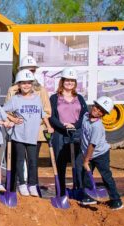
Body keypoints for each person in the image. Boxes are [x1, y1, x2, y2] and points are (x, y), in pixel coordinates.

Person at [3, 70, 54, 197]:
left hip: (33, 136)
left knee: (33, 161)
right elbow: (2, 111)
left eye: (28, 83)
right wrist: (13, 119)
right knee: (20, 161)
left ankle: (32, 185)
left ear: (32, 84)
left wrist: (48, 126)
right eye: (23, 83)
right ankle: (22, 184)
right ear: (18, 85)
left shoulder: (37, 98)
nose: (26, 85)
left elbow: (43, 115)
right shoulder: (15, 99)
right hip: (18, 136)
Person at [80, 96, 124, 210]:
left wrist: (86, 160)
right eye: (97, 107)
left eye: (101, 111)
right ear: (93, 105)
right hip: (88, 153)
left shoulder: (97, 126)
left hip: (100, 154)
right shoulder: (85, 116)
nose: (97, 110)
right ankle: (89, 196)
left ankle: (116, 200)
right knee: (86, 176)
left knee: (106, 176)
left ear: (103, 115)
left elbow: (92, 145)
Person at [49, 68, 88, 196]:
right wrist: (63, 126)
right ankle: (61, 193)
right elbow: (52, 116)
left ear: (75, 82)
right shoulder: (54, 98)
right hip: (60, 134)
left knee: (78, 164)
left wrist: (75, 125)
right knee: (61, 164)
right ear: (62, 81)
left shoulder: (80, 98)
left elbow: (84, 115)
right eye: (67, 80)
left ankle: (79, 190)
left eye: (72, 80)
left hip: (76, 133)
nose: (69, 83)